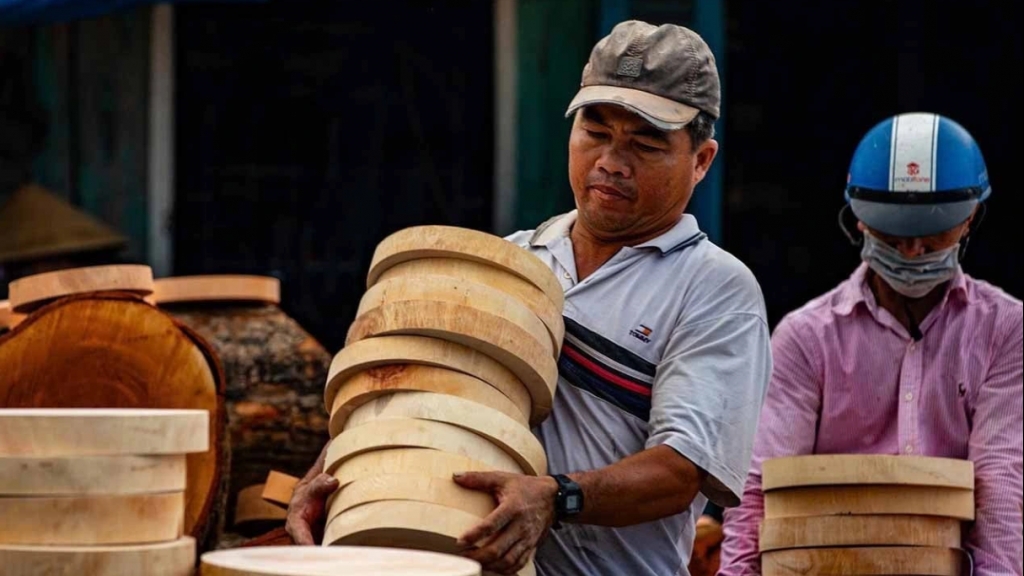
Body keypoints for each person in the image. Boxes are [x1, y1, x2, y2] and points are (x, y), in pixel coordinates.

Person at [286, 20, 773, 576]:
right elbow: (411, 386)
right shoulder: (510, 261)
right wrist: (327, 473)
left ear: (702, 160)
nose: (611, 162)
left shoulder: (715, 289)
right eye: (595, 131)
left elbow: (680, 472)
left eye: (644, 144)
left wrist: (557, 497)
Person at [718, 112, 1023, 575]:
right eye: (893, 234)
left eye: (932, 234)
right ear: (859, 220)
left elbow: (1000, 479)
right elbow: (762, 484)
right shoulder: (807, 337)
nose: (912, 251)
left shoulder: (1005, 329)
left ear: (970, 219)